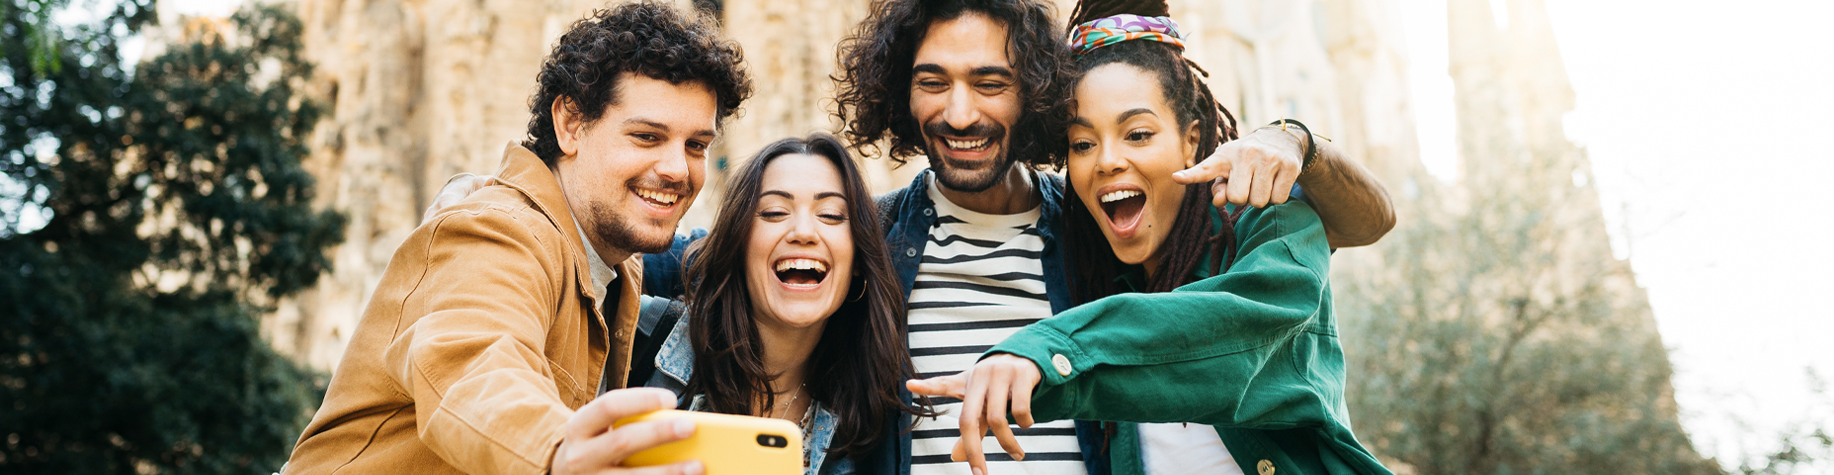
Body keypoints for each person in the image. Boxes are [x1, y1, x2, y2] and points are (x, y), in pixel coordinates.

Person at [424, 1, 1397, 474]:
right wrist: (525, 193)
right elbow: (699, 256)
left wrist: (1295, 139)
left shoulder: (1100, 225)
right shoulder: (869, 237)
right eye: (932, 81)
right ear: (899, 96)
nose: (960, 108)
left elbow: (1298, 253)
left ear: (1029, 96)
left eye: (989, 81)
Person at [906, 3, 1394, 475]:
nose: (1107, 160)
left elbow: (1232, 335)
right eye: (1082, 143)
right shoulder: (1087, 256)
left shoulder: (1266, 224)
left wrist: (1045, 352)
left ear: (1190, 139)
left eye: (1137, 134)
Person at [281, 2, 752, 474]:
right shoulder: (495, 232)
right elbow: (472, 358)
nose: (676, 169)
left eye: (696, 146)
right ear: (570, 124)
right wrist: (554, 451)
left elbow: (705, 255)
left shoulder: (611, 255)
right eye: (647, 137)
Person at [625, 134, 932, 475]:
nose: (803, 231)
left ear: (858, 259)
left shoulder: (868, 425)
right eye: (774, 212)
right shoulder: (635, 343)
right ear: (736, 245)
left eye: (830, 215)